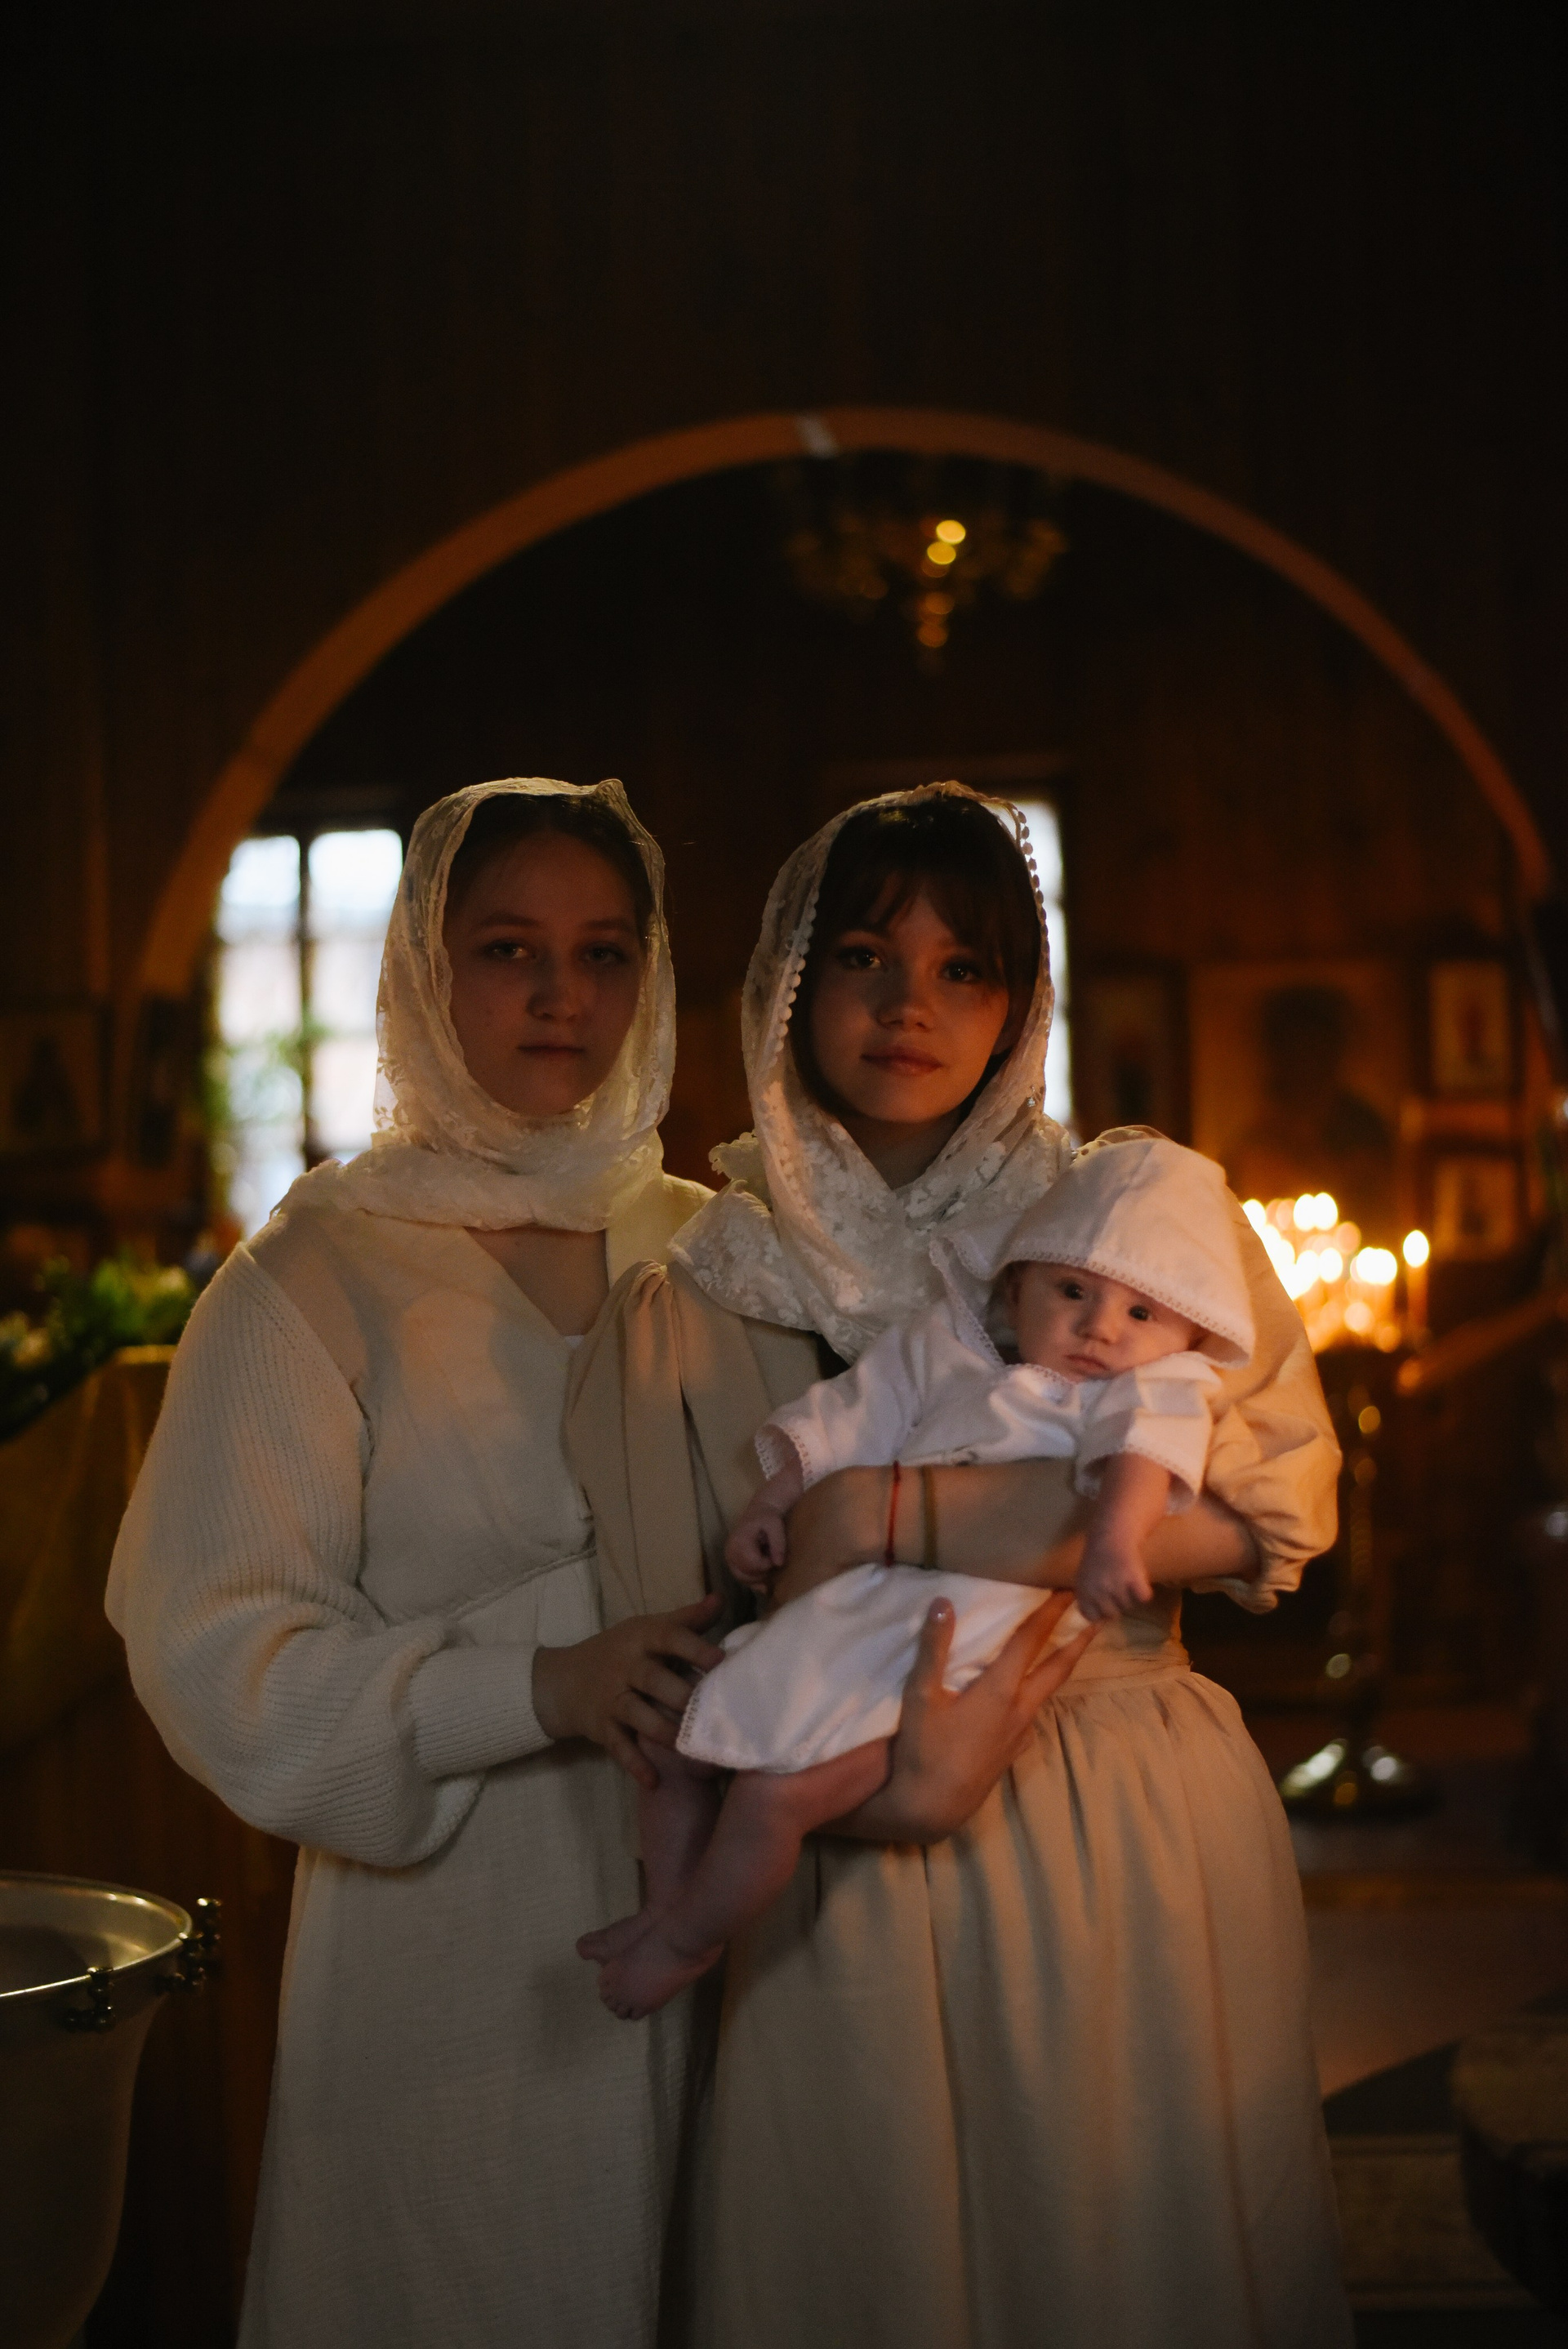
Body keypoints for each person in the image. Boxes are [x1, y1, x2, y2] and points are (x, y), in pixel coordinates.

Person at [567, 783, 1352, 2348]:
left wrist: (884, 1519)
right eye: (864, 957)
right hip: (830, 1826)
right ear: (790, 981)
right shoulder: (696, 1287)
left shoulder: (1140, 1226)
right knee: (874, 2254)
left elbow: (1266, 1524)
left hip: (1114, 1786)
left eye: (963, 968)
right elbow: (693, 1605)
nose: (908, 1006)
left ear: (1021, 999)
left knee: (1116, 2249)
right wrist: (879, 1706)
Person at [106, 778, 723, 2349]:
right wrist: (535, 1685)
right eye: (510, 948)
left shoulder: (716, 1249)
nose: (561, 994)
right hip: (455, 1949)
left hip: (730, 1917)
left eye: (603, 952)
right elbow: (216, 1651)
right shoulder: (311, 1276)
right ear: (424, 973)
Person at [585, 1134, 1252, 2018]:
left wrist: (1114, 1543)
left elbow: (1144, 1458)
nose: (1101, 1328)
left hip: (948, 1662)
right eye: (1073, 1291)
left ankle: (689, 1942)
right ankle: (667, 1905)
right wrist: (773, 1504)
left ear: (1189, 1330)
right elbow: (856, 1415)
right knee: (678, 1750)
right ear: (1017, 1286)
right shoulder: (954, 1352)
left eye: (1141, 1311)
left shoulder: (1153, 1385)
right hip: (852, 1609)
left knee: (773, 1801)